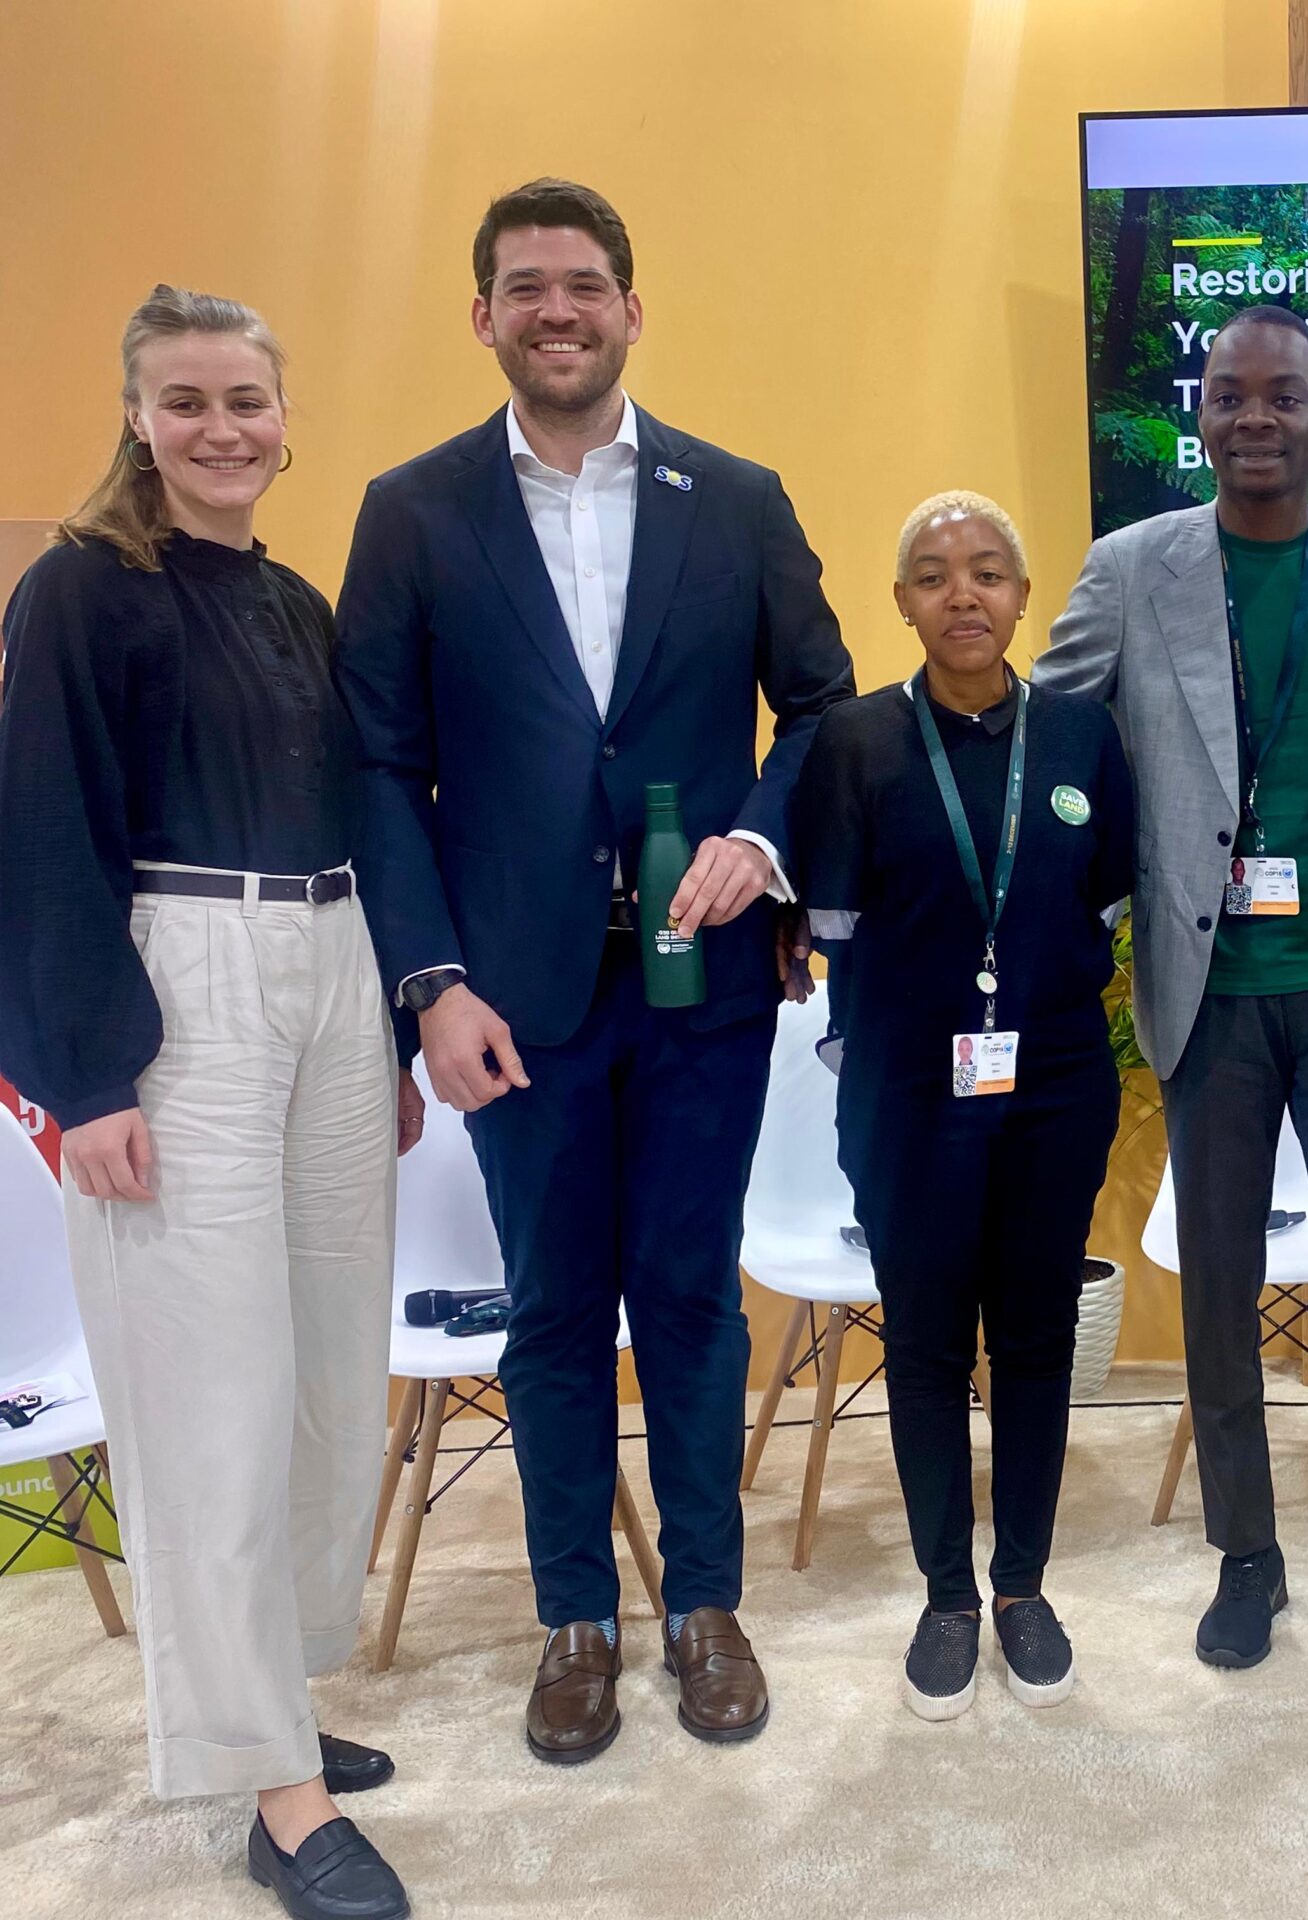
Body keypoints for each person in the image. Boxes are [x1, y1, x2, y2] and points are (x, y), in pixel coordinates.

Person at [334, 179, 854, 1763]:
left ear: (633, 307)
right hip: (512, 1005)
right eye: (524, 287)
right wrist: (430, 984)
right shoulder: (413, 510)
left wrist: (763, 847)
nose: (557, 310)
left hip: (701, 991)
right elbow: (374, 766)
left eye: (584, 285)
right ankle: (576, 1619)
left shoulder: (740, 498)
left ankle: (704, 1604)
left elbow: (825, 710)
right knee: (556, 1309)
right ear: (483, 316)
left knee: (691, 1300)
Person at [0, 287, 419, 1920]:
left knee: (324, 1365)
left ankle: (281, 1705)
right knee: (211, 1391)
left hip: (328, 961)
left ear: (285, 416)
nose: (222, 429)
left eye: (246, 399)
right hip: (181, 979)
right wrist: (85, 1076)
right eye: (187, 403)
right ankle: (278, 1796)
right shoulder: (82, 594)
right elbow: (36, 837)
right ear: (137, 415)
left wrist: (376, 1027)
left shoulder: (294, 603)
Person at [1038, 305, 1308, 1696]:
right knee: (1221, 1284)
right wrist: (1089, 895)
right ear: (1203, 412)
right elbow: (1051, 735)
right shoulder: (1130, 569)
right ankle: (1248, 1560)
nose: (1255, 420)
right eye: (1230, 396)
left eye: (1283, 396)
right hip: (1210, 987)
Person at [793, 490, 1133, 1721]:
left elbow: (1101, 905)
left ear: (1024, 595)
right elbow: (834, 926)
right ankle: (946, 1595)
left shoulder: (1084, 737)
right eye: (933, 575)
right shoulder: (855, 743)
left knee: (1034, 1339)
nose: (963, 596)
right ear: (900, 603)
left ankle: (1024, 1587)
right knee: (929, 1344)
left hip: (1049, 1088)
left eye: (988, 572)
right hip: (904, 1095)